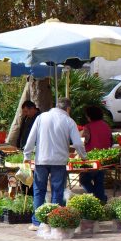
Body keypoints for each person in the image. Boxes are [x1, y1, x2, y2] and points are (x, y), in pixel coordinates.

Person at [23, 97, 87, 229]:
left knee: (39, 190)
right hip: (59, 161)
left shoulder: (41, 117)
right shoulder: (69, 121)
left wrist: (27, 155)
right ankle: (54, 221)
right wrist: (83, 156)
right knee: (57, 190)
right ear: (68, 108)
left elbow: (31, 138)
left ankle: (37, 222)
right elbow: (77, 143)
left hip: (41, 160)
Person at [80, 105, 113, 203]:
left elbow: (85, 141)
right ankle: (101, 199)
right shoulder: (106, 125)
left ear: (89, 116)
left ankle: (96, 197)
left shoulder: (88, 127)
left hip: (92, 158)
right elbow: (111, 141)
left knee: (84, 180)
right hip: (105, 158)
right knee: (99, 181)